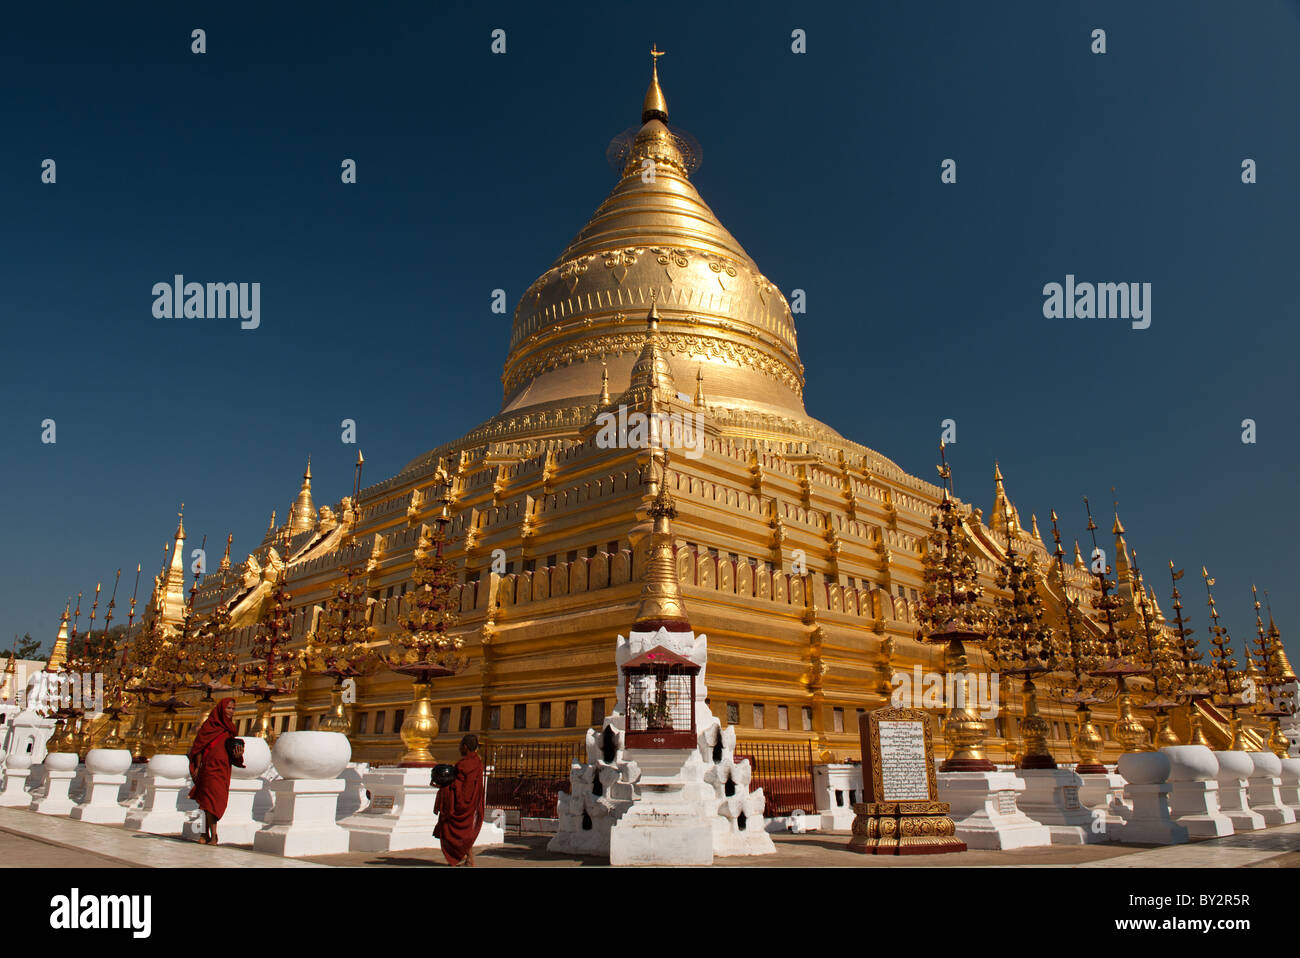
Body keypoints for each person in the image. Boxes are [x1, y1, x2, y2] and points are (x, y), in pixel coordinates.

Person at [187, 698, 244, 845]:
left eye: (233, 709)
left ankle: (210, 835)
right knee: (206, 802)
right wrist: (198, 767)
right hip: (208, 767)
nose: (231, 711)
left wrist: (238, 755)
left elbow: (229, 749)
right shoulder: (210, 725)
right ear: (221, 709)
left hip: (222, 768)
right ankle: (208, 834)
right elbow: (200, 746)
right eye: (229, 708)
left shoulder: (230, 728)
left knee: (215, 802)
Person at [433, 734, 485, 866]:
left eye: (460, 745)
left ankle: (460, 857)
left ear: (465, 747)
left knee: (452, 831)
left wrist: (443, 786)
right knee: (465, 833)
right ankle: (469, 859)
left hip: (459, 804)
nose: (459, 748)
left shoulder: (463, 765)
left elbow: (459, 786)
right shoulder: (478, 762)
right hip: (471, 804)